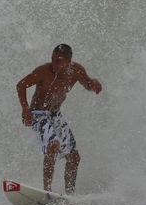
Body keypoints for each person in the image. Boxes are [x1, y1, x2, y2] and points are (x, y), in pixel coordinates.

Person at [16, 44, 102, 194]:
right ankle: (47, 191)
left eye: (59, 61)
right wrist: (25, 109)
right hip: (38, 113)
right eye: (53, 59)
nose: (54, 64)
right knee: (53, 145)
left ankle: (70, 195)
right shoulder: (44, 71)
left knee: (74, 157)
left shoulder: (77, 71)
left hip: (55, 115)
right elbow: (21, 84)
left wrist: (93, 83)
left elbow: (87, 83)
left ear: (69, 61)